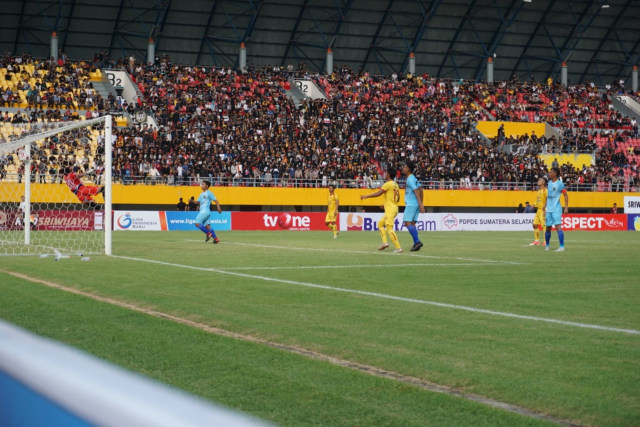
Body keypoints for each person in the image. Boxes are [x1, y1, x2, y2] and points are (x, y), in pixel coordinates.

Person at [360, 167, 402, 252]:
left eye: (386, 173)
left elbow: (379, 193)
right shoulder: (395, 184)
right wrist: (385, 203)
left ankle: (398, 248)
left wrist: (366, 196)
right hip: (394, 208)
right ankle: (385, 243)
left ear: (389, 175)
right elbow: (398, 199)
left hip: (390, 210)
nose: (385, 174)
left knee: (389, 228)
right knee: (380, 224)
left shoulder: (387, 184)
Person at [543, 168, 568, 252]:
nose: (549, 173)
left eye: (551, 172)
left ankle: (561, 247)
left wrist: (566, 207)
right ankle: (547, 245)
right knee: (548, 228)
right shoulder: (549, 183)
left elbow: (566, 195)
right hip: (549, 209)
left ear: (555, 174)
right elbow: (548, 196)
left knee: (558, 227)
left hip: (556, 208)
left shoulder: (560, 184)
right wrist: (545, 206)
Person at [401, 162, 425, 251]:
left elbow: (416, 191)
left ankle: (417, 241)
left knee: (406, 223)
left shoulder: (410, 179)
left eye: (405, 166)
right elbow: (421, 189)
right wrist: (420, 203)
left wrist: (421, 204)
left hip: (411, 203)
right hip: (416, 204)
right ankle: (416, 244)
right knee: (413, 224)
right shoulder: (413, 178)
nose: (403, 168)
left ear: (408, 169)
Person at [529, 178, 547, 246]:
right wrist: (534, 204)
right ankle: (537, 241)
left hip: (543, 210)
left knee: (544, 226)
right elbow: (538, 201)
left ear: (543, 182)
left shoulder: (546, 191)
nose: (538, 181)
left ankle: (545, 242)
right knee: (534, 225)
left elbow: (548, 200)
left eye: (540, 180)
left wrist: (545, 208)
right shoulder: (539, 191)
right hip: (538, 210)